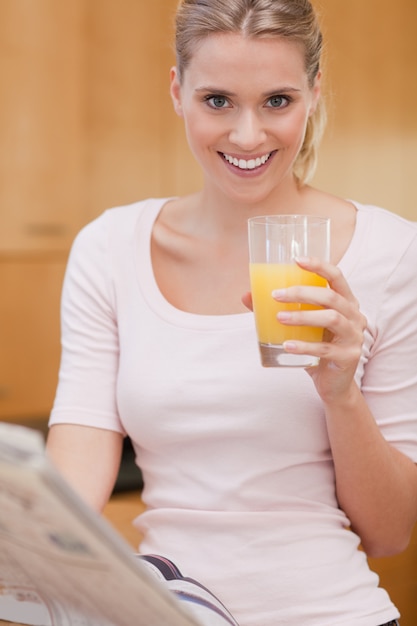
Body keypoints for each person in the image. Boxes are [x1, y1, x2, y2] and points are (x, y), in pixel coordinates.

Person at [46, 1, 417, 624]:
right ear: (177, 90)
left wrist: (340, 393)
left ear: (315, 93)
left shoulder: (393, 252)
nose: (248, 136)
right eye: (217, 100)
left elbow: (389, 532)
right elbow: (72, 486)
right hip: (170, 610)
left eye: (278, 100)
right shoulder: (109, 248)